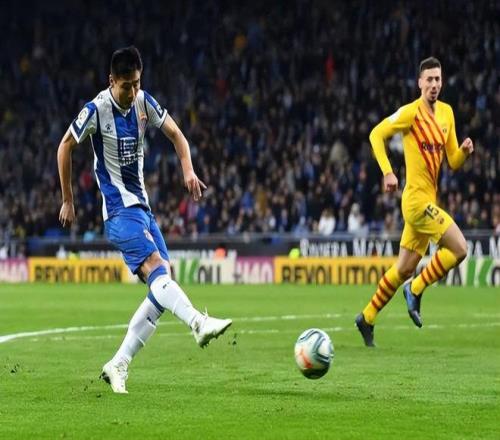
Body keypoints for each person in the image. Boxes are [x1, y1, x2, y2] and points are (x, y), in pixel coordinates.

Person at [57, 46, 232, 393]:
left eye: (137, 83)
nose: (133, 91)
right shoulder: (96, 110)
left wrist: (188, 170)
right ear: (111, 81)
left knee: (161, 283)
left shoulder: (143, 102)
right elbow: (65, 146)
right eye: (126, 86)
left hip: (143, 210)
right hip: (119, 212)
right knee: (156, 269)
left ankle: (118, 363)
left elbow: (177, 135)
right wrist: (68, 199)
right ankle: (198, 323)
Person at [355, 57, 474, 347]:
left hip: (428, 201)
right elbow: (376, 134)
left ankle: (367, 317)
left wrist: (464, 152)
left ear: (442, 82)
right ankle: (416, 288)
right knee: (460, 248)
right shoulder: (410, 113)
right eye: (428, 79)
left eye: (437, 79)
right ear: (420, 83)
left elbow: (453, 161)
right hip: (415, 202)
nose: (434, 84)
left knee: (403, 268)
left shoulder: (446, 113)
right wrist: (387, 171)